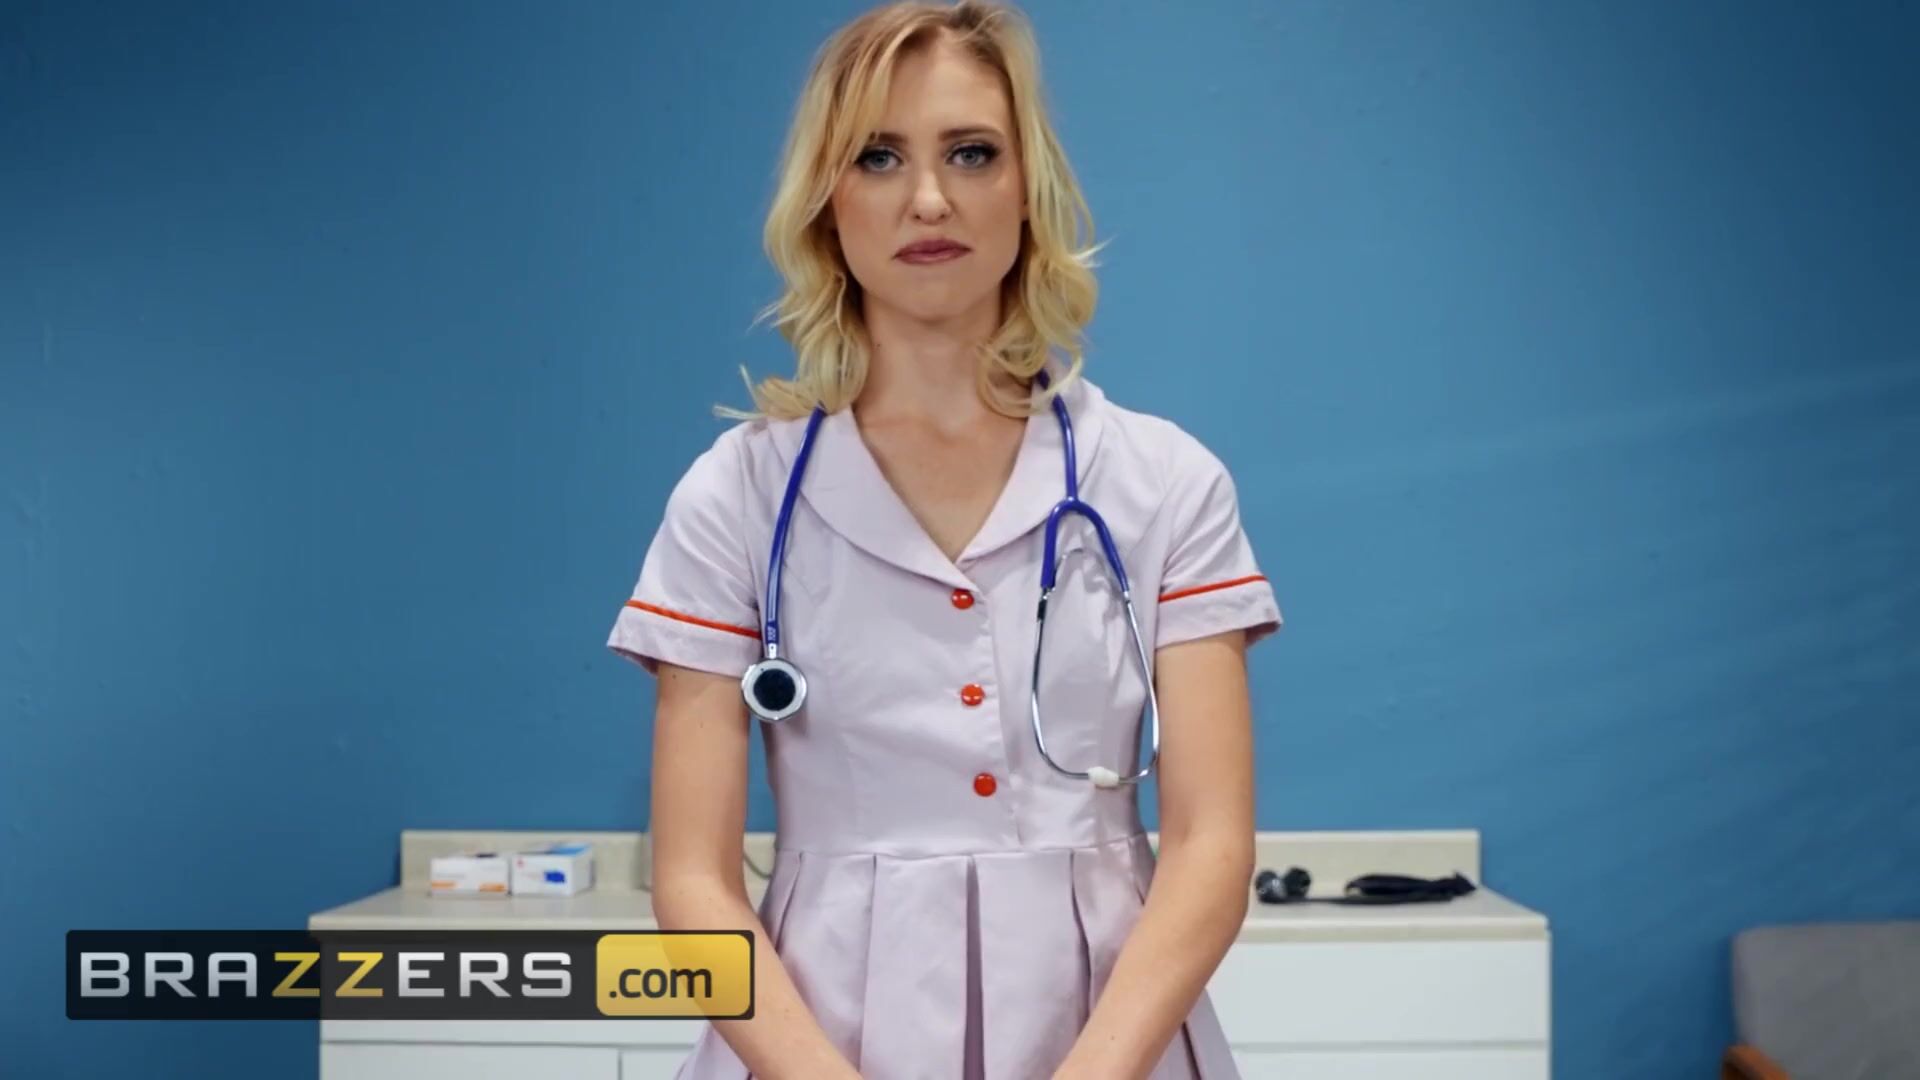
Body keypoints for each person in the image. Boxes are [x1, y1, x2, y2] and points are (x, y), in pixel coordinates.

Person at [606, 2, 1282, 1076]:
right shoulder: (737, 497)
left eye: (972, 153)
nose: (929, 198)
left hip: (1111, 1040)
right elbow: (691, 884)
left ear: (1029, 188)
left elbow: (1210, 848)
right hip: (812, 1042)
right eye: (877, 157)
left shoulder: (1163, 482)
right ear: (826, 202)